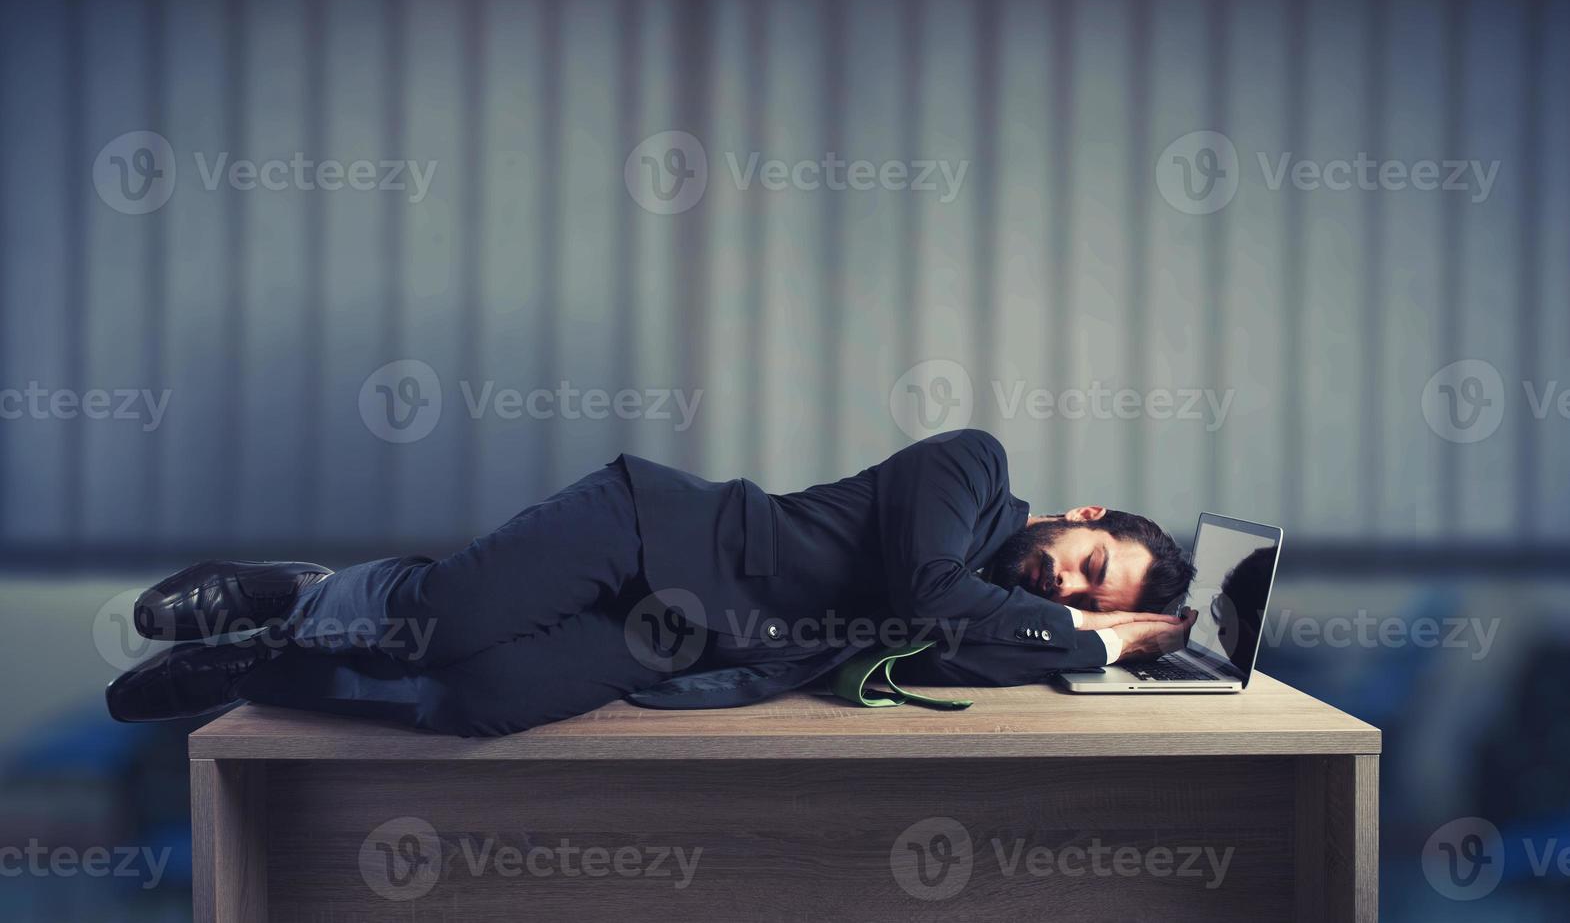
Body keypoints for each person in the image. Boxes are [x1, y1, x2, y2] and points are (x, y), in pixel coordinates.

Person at [107, 429, 1198, 737]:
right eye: (1089, 564)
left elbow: (952, 641)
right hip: (651, 527)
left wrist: (1104, 646)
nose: (1066, 583)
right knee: (446, 622)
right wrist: (1102, 643)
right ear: (1082, 512)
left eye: (1086, 599)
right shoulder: (973, 468)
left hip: (682, 637)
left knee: (479, 702)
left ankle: (257, 669)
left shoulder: (1009, 619)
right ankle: (292, 592)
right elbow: (923, 599)